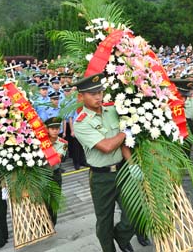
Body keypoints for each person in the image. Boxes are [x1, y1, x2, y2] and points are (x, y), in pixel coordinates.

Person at [72, 73, 135, 252]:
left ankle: (122, 237)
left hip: (123, 172)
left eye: (100, 91)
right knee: (104, 221)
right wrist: (127, 131)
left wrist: (132, 164)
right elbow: (107, 146)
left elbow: (122, 143)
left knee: (134, 214)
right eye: (92, 93)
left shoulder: (113, 110)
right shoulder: (81, 123)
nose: (98, 96)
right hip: (101, 178)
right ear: (81, 97)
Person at [44, 117, 68, 226]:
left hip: (55, 174)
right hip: (42, 175)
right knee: (43, 201)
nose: (55, 131)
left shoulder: (63, 143)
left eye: (57, 128)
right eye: (52, 128)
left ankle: (52, 224)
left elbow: (55, 159)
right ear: (47, 129)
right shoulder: (40, 142)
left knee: (54, 201)